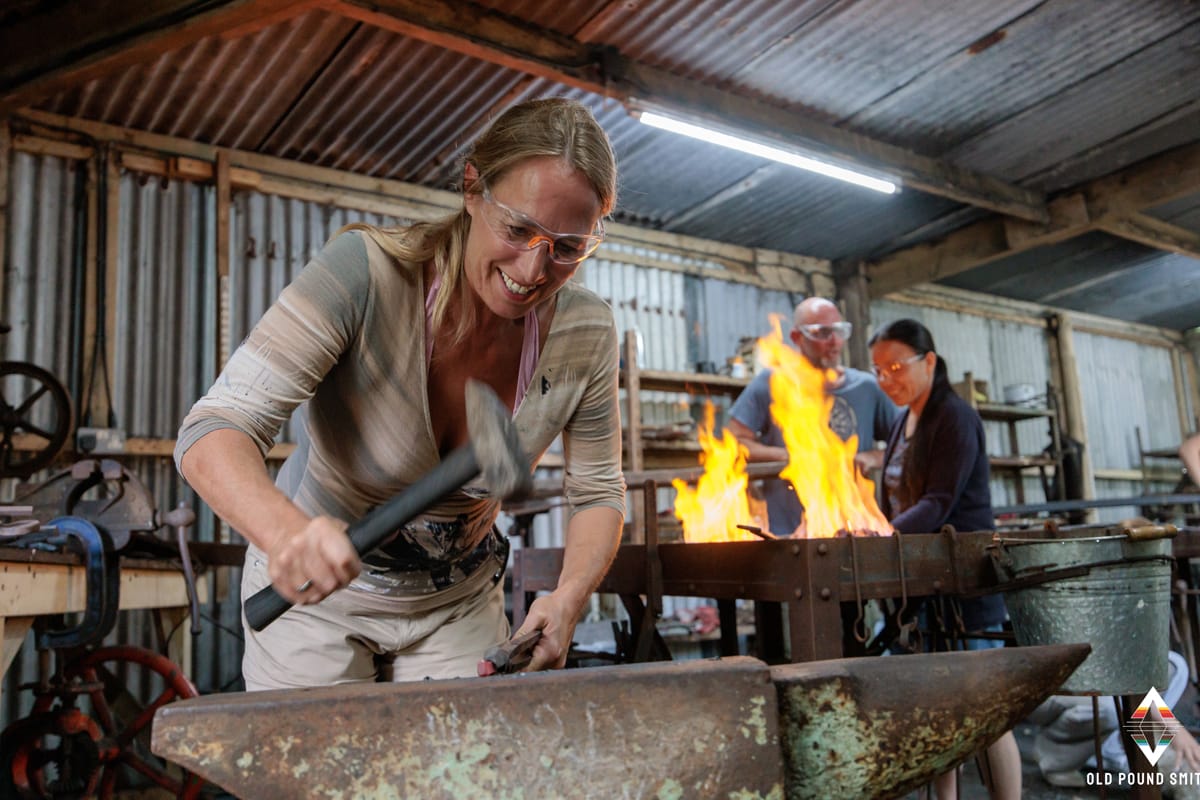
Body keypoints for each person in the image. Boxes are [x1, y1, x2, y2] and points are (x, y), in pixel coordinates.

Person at [175, 98, 625, 689]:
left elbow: (597, 491)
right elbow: (215, 428)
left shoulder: (585, 331)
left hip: (457, 600)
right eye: (518, 229)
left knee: (466, 775)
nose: (535, 268)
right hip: (315, 603)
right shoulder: (366, 276)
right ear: (472, 187)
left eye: (568, 247)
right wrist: (285, 533)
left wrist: (568, 597)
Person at [868, 318, 1019, 800]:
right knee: (937, 713)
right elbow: (895, 499)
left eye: (895, 366)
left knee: (986, 712)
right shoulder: (902, 420)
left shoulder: (955, 417)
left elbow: (938, 501)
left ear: (929, 361)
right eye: (877, 370)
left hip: (965, 579)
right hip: (921, 582)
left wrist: (881, 535)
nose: (886, 378)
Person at [726, 297, 899, 537]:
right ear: (797, 337)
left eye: (839, 331)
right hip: (789, 534)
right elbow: (734, 444)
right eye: (822, 333)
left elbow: (905, 444)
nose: (834, 342)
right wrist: (791, 457)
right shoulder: (772, 384)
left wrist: (873, 457)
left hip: (855, 531)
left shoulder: (867, 388)